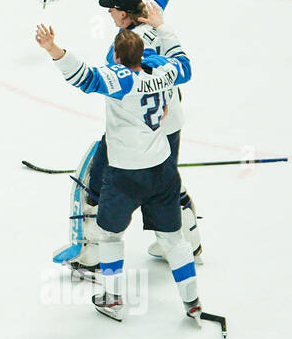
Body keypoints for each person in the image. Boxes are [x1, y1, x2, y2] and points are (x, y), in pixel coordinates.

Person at [35, 23, 199, 323]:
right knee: (174, 239)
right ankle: (192, 302)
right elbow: (184, 65)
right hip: (162, 169)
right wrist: (163, 31)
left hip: (125, 174)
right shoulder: (163, 71)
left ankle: (112, 299)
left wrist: (53, 50)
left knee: (110, 237)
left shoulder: (121, 79)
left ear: (118, 58)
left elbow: (83, 76)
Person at [71, 0, 201, 275]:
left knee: (101, 179)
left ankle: (94, 252)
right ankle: (188, 240)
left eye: (112, 9)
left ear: (126, 16)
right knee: (165, 178)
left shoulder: (131, 46)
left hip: (135, 124)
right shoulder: (151, 9)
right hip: (168, 117)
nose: (109, 13)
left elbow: (112, 77)